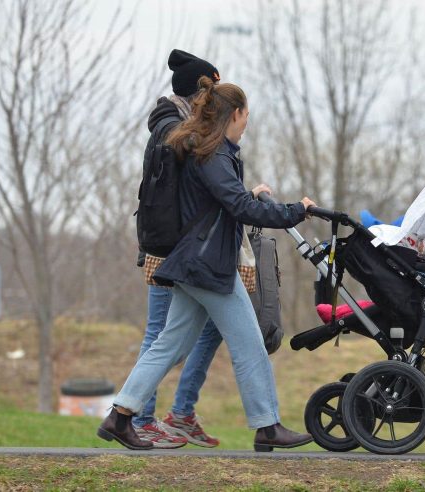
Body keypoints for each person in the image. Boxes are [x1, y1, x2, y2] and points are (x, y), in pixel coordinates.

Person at [97, 76, 315, 451]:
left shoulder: (211, 154)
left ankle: (120, 416)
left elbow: (220, 205)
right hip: (207, 266)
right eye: (247, 115)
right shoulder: (214, 156)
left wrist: (252, 196)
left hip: (195, 263)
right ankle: (267, 426)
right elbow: (239, 208)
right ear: (236, 114)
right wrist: (297, 211)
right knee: (249, 345)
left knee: (169, 345)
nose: (248, 123)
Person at [132, 49, 225, 449]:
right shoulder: (169, 124)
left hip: (192, 249)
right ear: (198, 92)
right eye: (213, 90)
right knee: (158, 334)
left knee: (212, 329)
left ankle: (181, 413)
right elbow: (186, 158)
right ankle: (138, 417)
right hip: (169, 250)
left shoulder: (182, 124)